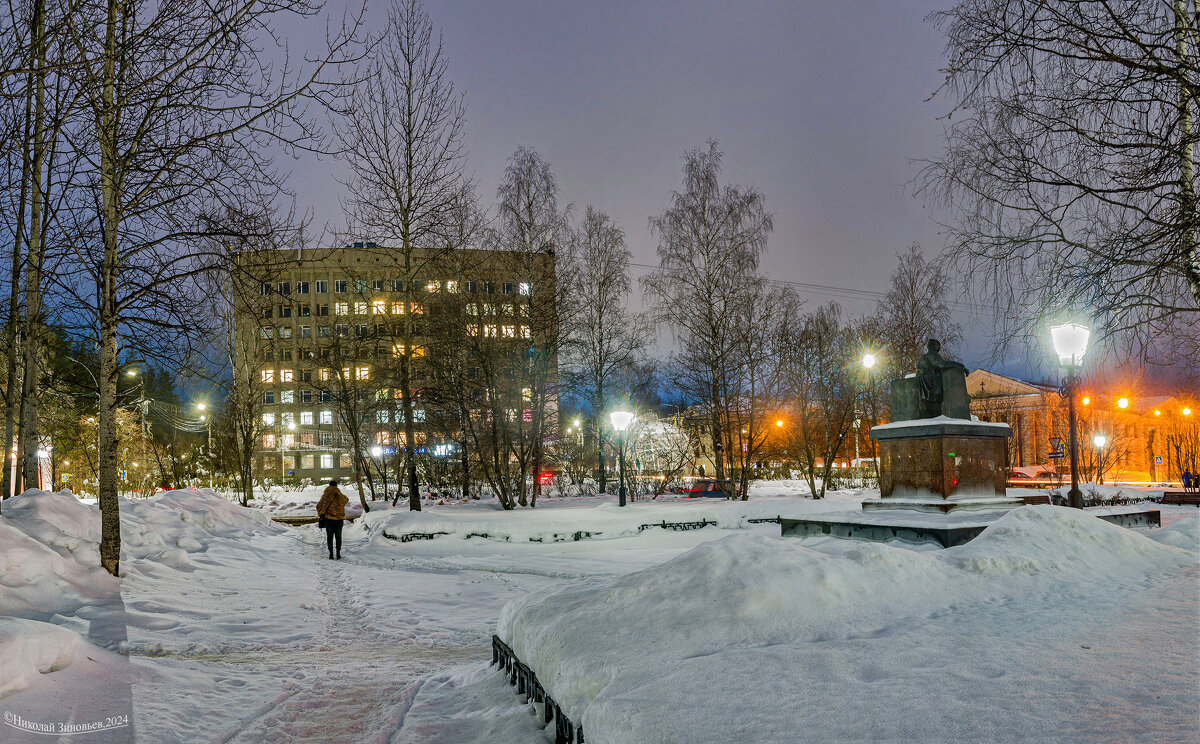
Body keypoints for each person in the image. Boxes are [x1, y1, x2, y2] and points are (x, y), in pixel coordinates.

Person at [316, 479, 349, 560]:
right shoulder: (340, 495)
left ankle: (331, 554)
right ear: (336, 486)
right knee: (338, 536)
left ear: (329, 485)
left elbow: (318, 506)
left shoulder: (325, 495)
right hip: (339, 519)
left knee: (329, 537)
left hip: (328, 519)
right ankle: (338, 553)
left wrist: (321, 513)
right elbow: (346, 500)